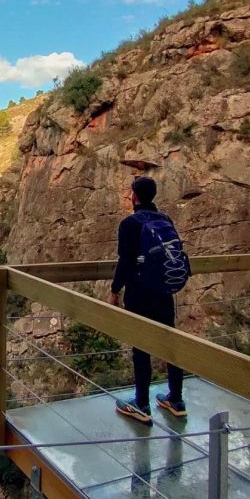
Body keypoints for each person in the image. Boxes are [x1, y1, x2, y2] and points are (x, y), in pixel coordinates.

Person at [108, 176, 187, 421]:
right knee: (170, 342)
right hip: (164, 291)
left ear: (134, 196)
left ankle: (142, 404)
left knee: (141, 348)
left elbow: (126, 262)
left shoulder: (129, 224)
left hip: (139, 293)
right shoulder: (165, 220)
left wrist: (114, 290)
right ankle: (176, 399)